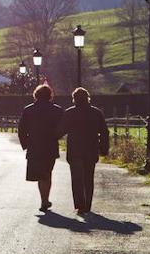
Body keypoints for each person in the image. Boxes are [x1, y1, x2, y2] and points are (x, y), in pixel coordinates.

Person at [59, 87, 110, 215]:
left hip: (75, 149)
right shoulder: (96, 113)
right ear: (88, 98)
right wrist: (104, 148)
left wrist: (48, 138)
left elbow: (61, 130)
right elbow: (104, 132)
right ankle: (87, 205)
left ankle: (80, 205)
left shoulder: (70, 113)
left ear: (74, 99)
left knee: (76, 178)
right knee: (88, 178)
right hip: (91, 149)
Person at [18, 83, 63, 211]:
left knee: (40, 174)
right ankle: (45, 199)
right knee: (47, 173)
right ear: (50, 95)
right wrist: (55, 137)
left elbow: (21, 129)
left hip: (34, 146)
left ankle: (44, 200)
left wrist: (25, 144)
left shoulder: (28, 110)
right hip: (50, 146)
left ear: (36, 95)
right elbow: (62, 127)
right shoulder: (57, 110)